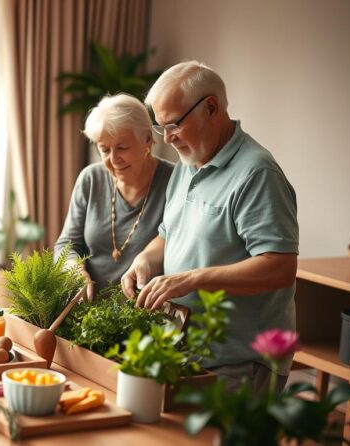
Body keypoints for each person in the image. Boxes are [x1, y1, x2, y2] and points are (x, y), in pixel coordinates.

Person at [121, 61, 299, 394]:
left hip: (241, 361)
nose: (168, 139)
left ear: (212, 108)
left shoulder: (257, 174)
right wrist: (144, 260)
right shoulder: (188, 164)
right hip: (189, 350)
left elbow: (280, 267)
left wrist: (190, 279)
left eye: (173, 125)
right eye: (161, 128)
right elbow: (168, 234)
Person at [55, 93, 174, 300]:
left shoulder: (174, 182)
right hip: (87, 313)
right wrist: (75, 272)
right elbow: (67, 244)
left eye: (122, 148)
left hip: (143, 315)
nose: (113, 159)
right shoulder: (91, 179)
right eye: (104, 149)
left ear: (147, 140)